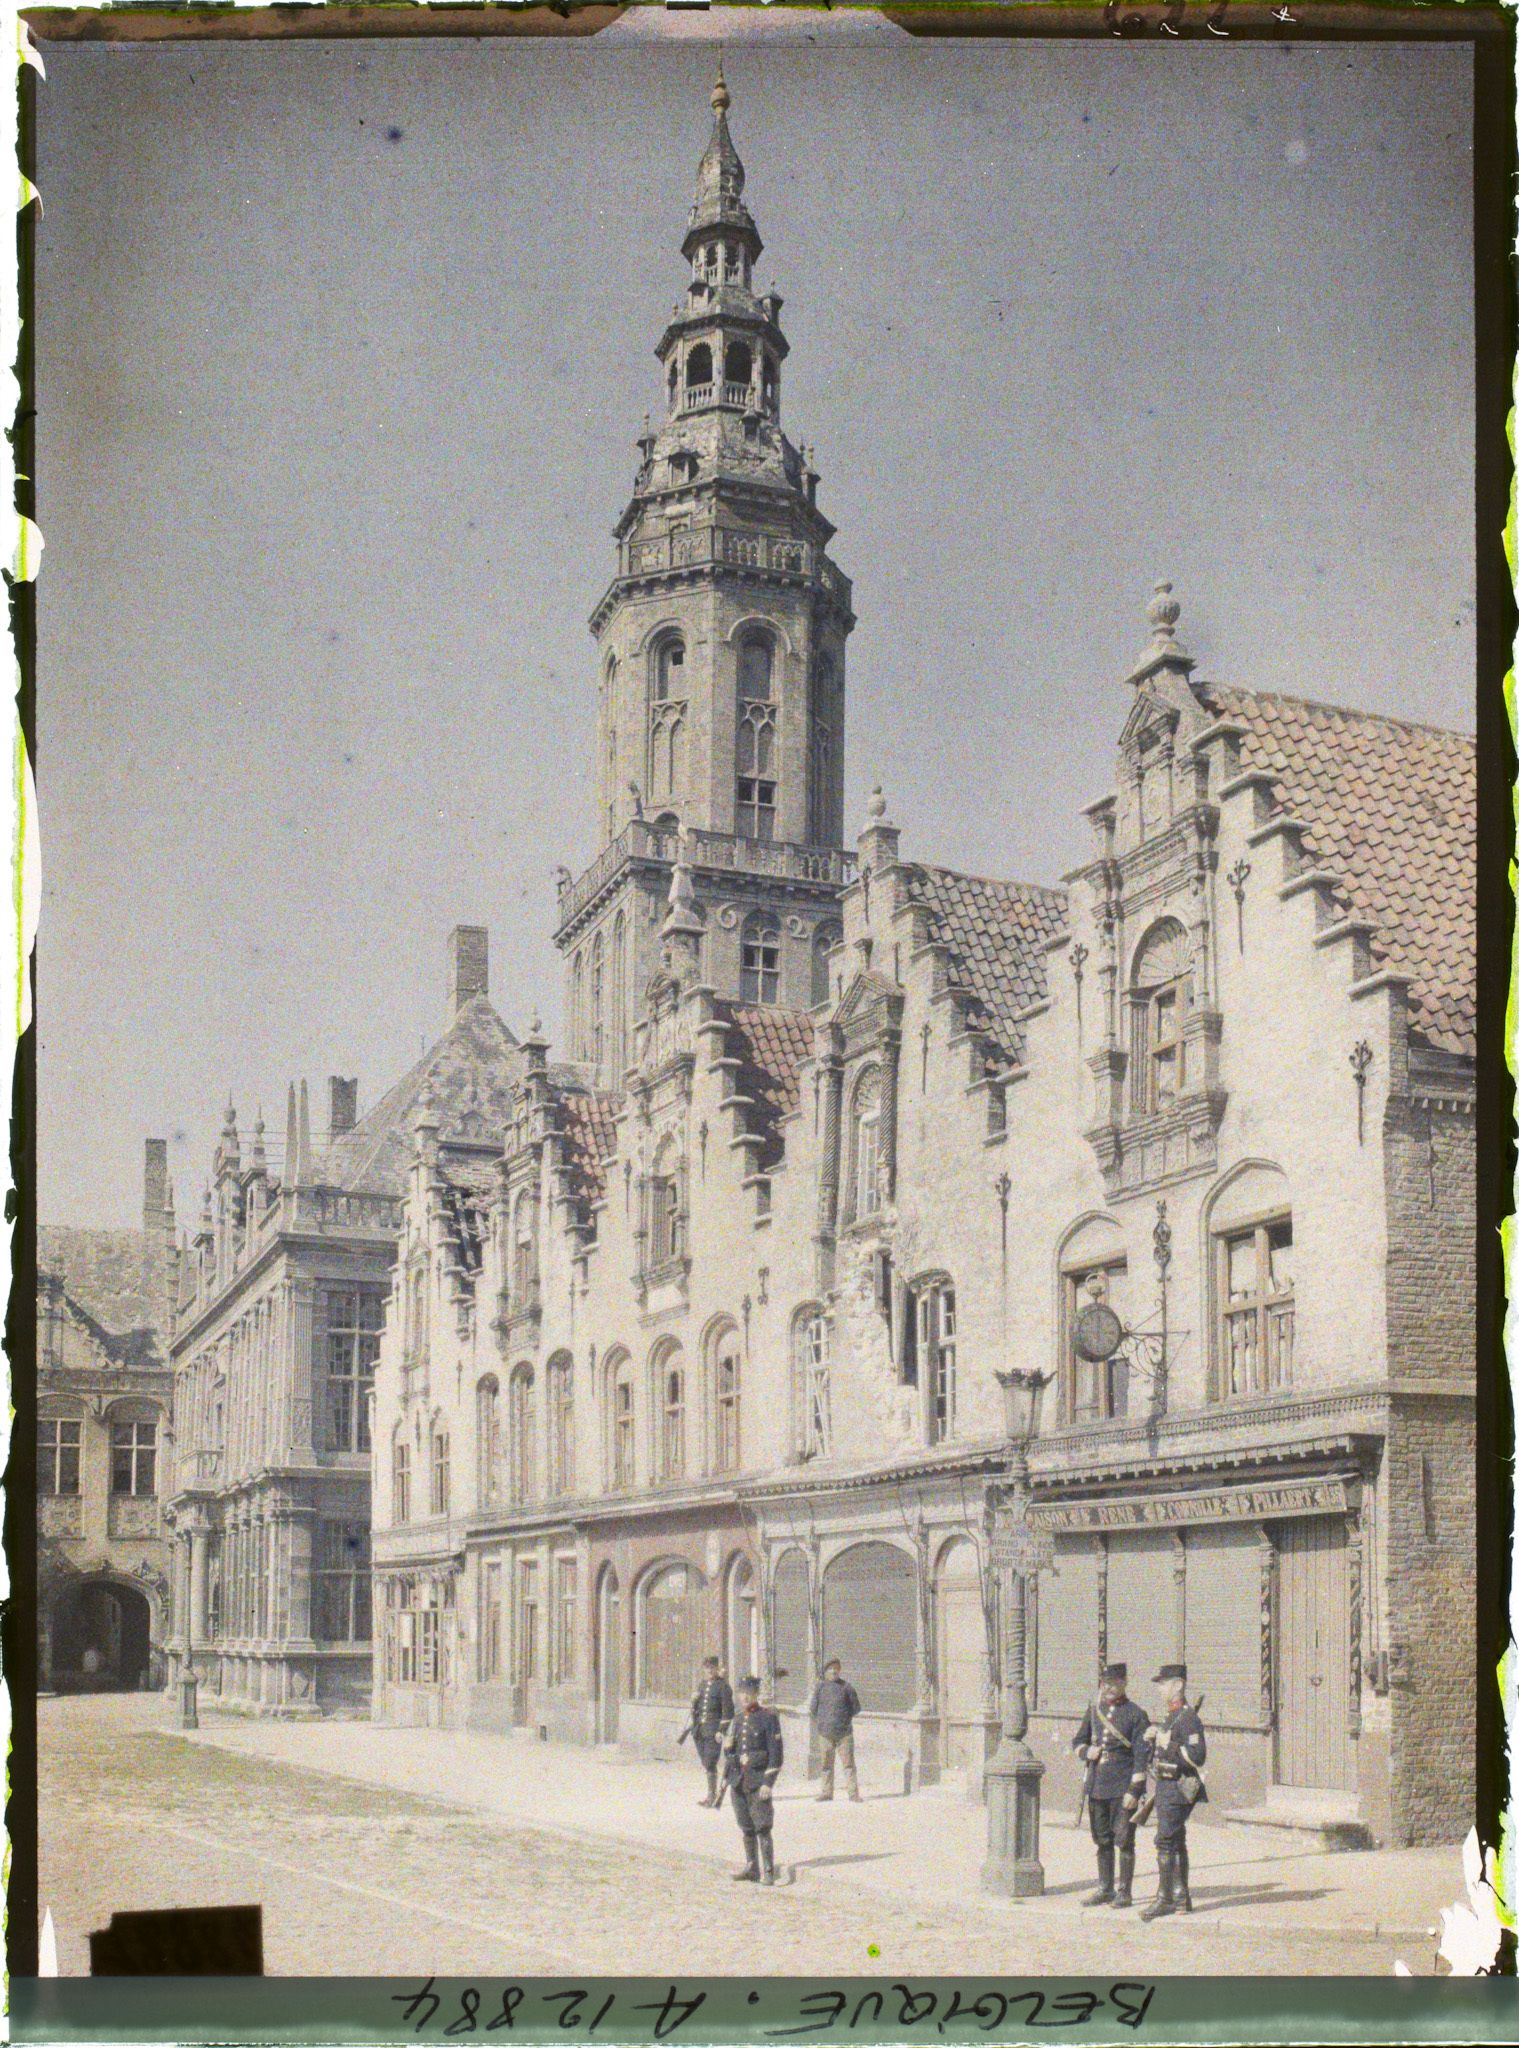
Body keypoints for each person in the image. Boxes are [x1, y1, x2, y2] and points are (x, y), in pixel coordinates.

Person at [1071, 1661, 1150, 1910]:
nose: (1108, 1688)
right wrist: (1086, 1751)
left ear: (1124, 1683)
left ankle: (1124, 1892)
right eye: (1105, 1684)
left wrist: (1134, 1791)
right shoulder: (1094, 1711)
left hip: (1122, 1789)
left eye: (1114, 1684)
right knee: (1102, 1840)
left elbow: (1142, 1757)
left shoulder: (1136, 1714)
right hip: (1097, 1787)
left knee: (1124, 1840)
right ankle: (1105, 1889)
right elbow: (1077, 1741)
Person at [1138, 1662, 1207, 1920]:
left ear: (1178, 1685)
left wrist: (1170, 1744)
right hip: (1166, 1786)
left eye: (1164, 1684)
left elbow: (1198, 1756)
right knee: (1175, 1840)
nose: (1160, 1689)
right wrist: (1154, 1737)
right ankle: (1181, 1898)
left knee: (1165, 1841)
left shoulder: (1189, 1718)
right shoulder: (1173, 1715)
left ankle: (1165, 1899)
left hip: (1178, 1788)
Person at [724, 1673, 784, 1885]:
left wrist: (768, 1783)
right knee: (746, 1827)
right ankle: (752, 1868)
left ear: (756, 1694)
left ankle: (768, 1871)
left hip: (758, 1782)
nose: (744, 1697)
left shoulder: (768, 1718)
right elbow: (731, 1754)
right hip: (739, 1782)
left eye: (749, 1693)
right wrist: (729, 1751)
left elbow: (776, 1756)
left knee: (762, 1827)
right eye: (741, 1693)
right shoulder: (737, 1719)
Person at [808, 1656, 862, 1802]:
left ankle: (853, 1794)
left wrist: (843, 1719)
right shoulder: (820, 1688)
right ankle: (826, 1793)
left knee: (849, 1764)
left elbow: (856, 1708)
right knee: (826, 1765)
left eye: (836, 1669)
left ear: (840, 1670)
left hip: (844, 1734)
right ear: (826, 1672)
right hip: (825, 1734)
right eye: (830, 1669)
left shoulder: (847, 1688)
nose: (833, 1671)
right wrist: (824, 1720)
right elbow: (813, 1709)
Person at [689, 1654, 734, 1807]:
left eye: (712, 1668)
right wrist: (693, 1701)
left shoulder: (723, 1687)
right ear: (704, 1669)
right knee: (705, 1762)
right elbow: (697, 1709)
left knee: (710, 1761)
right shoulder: (702, 1685)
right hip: (700, 1730)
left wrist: (721, 1730)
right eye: (707, 1668)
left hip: (713, 1731)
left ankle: (712, 1795)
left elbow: (728, 1712)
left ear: (717, 1668)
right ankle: (712, 1793)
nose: (709, 1670)